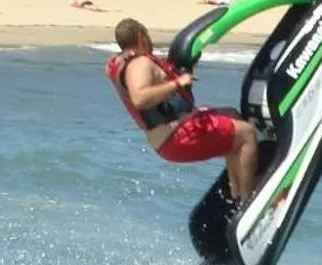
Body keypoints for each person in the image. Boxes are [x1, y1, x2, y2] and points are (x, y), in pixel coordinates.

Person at [107, 16, 259, 205]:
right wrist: (178, 83)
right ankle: (249, 200)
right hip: (176, 137)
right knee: (247, 134)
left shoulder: (122, 63)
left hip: (170, 134)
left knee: (232, 115)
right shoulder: (139, 63)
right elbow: (140, 98)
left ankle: (236, 192)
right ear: (141, 36)